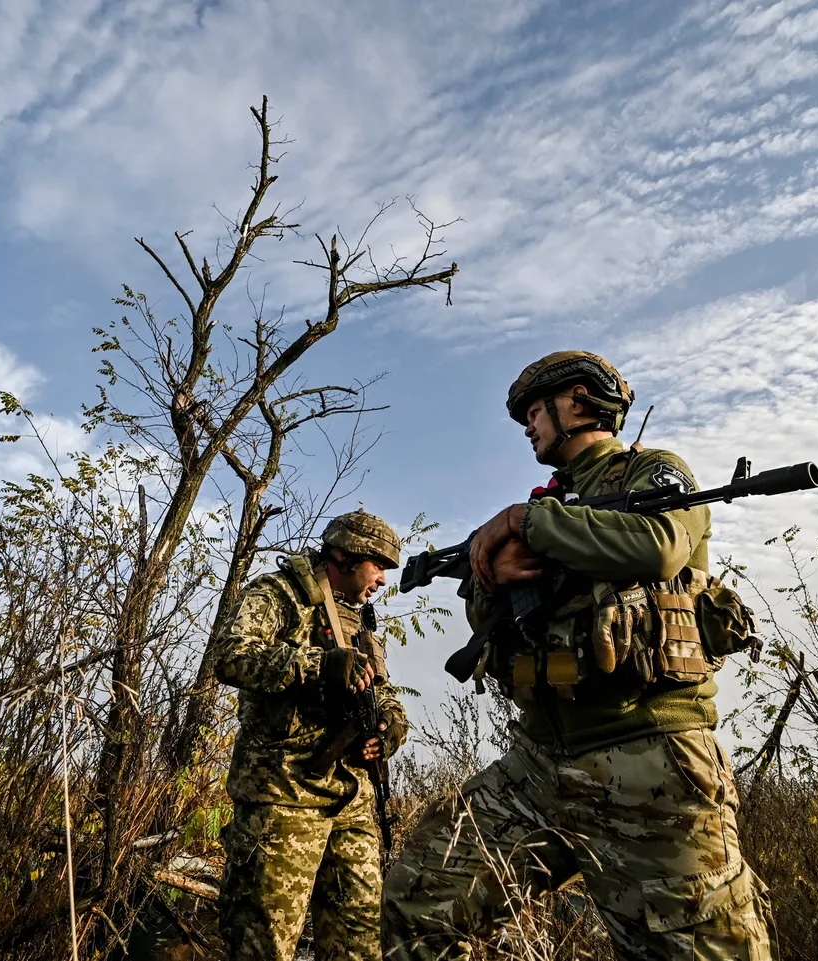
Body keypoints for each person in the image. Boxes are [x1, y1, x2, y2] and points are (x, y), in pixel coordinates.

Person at [382, 351, 777, 961]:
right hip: (542, 760)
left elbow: (660, 546)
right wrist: (494, 578)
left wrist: (524, 521)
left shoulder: (651, 473)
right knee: (421, 896)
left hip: (649, 759)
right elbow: (487, 629)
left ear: (580, 403)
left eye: (535, 410)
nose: (526, 425)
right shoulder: (552, 504)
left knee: (695, 948)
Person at [213, 510, 410, 961]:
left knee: (360, 941)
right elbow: (229, 656)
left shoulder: (358, 621)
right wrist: (317, 665)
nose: (381, 579)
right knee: (265, 942)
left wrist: (390, 727)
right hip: (283, 795)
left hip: (351, 800)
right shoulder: (279, 594)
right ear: (343, 555)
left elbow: (384, 693)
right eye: (377, 565)